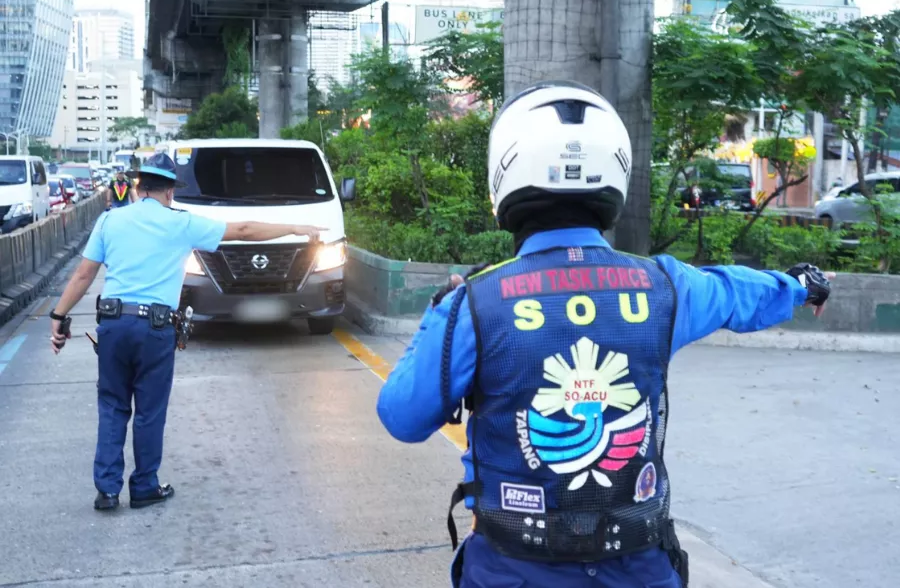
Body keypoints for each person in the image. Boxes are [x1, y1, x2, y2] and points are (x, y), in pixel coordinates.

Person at [376, 81, 833, 588]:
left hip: (513, 569)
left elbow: (402, 417)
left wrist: (440, 312)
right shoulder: (665, 286)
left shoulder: (475, 303)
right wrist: (799, 285)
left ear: (505, 173)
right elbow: (736, 292)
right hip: (640, 567)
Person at [49, 153, 326, 511]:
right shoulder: (181, 223)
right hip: (155, 329)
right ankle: (145, 486)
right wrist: (297, 229)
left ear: (138, 187)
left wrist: (59, 315)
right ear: (169, 192)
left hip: (114, 326)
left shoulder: (109, 220)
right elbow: (242, 231)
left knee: (113, 406)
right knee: (149, 410)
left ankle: (107, 491)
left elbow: (83, 276)